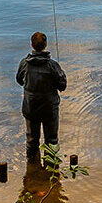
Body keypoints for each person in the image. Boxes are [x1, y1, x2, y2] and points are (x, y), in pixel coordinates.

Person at [16, 31, 67, 159]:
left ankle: (32, 169)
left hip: (30, 107)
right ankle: (52, 171)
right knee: (52, 141)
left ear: (31, 45)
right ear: (45, 45)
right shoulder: (52, 65)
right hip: (49, 108)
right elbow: (62, 86)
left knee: (31, 141)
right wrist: (62, 75)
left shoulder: (24, 63)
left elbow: (19, 80)